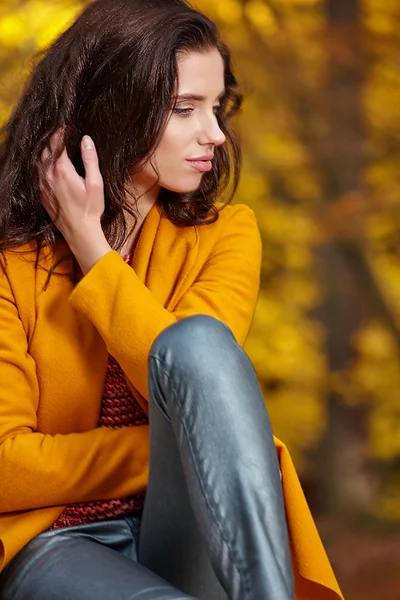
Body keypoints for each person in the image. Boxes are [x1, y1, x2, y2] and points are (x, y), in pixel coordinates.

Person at [0, 0, 343, 599]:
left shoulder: (228, 235)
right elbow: (6, 468)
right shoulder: (10, 261)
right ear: (111, 106)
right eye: (186, 109)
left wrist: (93, 255)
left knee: (199, 341)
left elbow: (192, 378)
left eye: (216, 108)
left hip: (198, 535)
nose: (214, 134)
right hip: (52, 542)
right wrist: (186, 451)